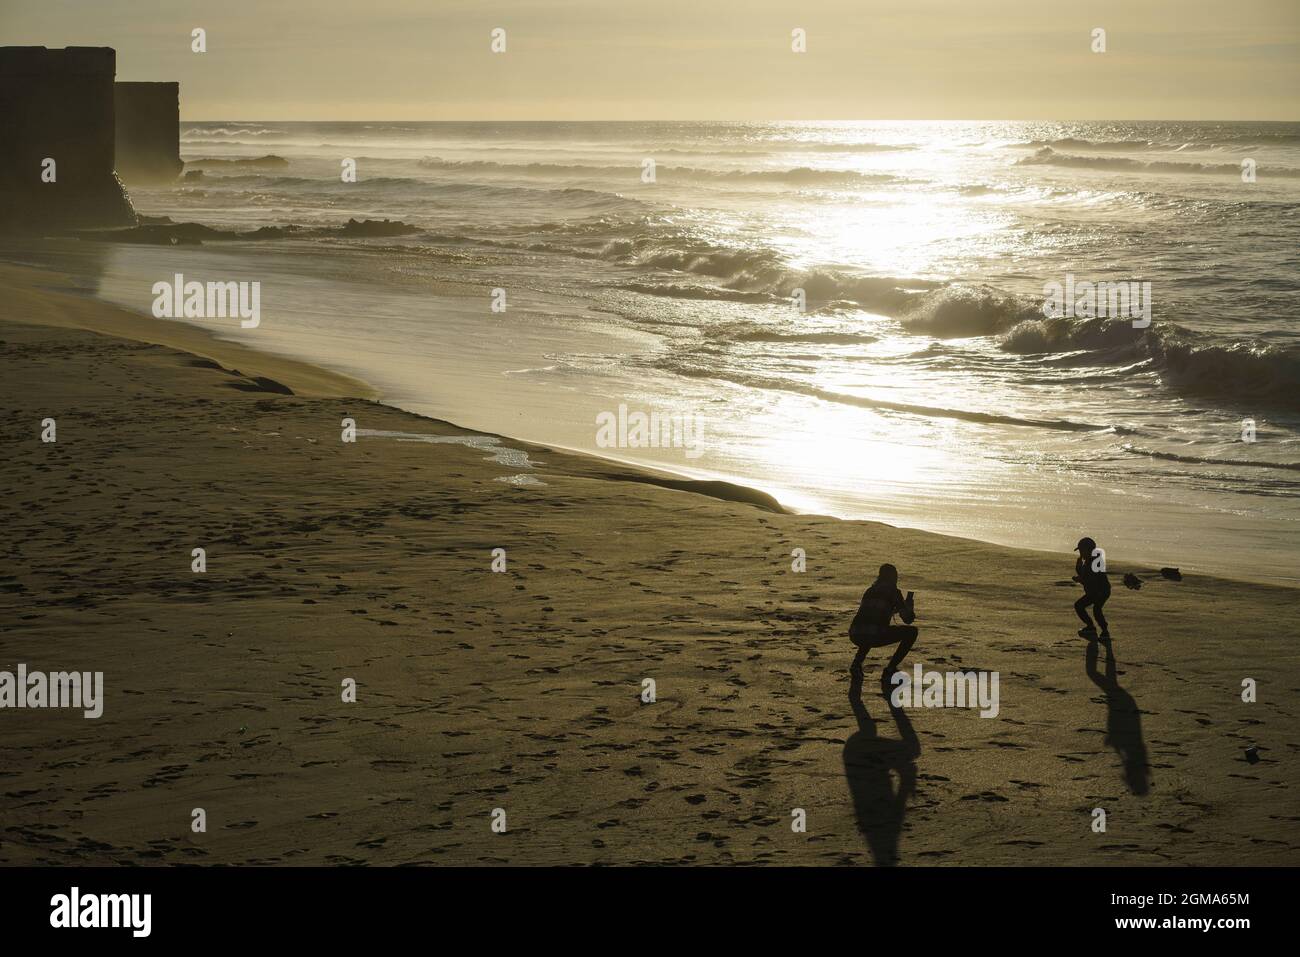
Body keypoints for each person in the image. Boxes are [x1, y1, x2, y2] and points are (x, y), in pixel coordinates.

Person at [849, 563, 918, 680]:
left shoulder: (870, 590)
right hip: (874, 634)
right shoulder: (894, 592)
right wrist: (909, 607)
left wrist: (895, 609)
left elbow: (875, 612)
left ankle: (856, 663)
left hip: (855, 633)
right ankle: (891, 667)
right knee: (912, 632)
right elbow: (907, 620)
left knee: (870, 628)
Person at [1073, 536, 1111, 641]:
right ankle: (1094, 628)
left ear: (1088, 550)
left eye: (1081, 551)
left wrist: (1080, 580)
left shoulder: (1096, 562)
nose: (1080, 553)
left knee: (1093, 609)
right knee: (1089, 608)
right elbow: (1084, 575)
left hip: (1100, 591)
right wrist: (1078, 566)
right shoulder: (1089, 560)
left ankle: (1100, 630)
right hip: (1095, 591)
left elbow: (1092, 580)